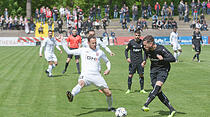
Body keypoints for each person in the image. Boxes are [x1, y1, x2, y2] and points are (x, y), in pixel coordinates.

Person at [59, 35, 115, 112]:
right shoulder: (83, 50)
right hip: (86, 75)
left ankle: (110, 108)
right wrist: (62, 41)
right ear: (88, 43)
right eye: (93, 43)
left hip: (97, 76)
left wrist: (108, 69)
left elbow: (107, 61)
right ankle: (72, 95)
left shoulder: (100, 52)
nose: (95, 44)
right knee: (81, 83)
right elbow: (69, 51)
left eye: (95, 43)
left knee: (108, 93)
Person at [141, 35, 176, 117]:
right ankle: (172, 109)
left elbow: (173, 59)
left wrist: (163, 59)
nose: (144, 46)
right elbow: (145, 53)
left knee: (157, 87)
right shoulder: (146, 49)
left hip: (163, 70)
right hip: (153, 71)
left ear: (151, 43)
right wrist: (144, 60)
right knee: (157, 91)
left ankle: (146, 104)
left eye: (145, 45)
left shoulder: (161, 49)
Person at [125, 30, 147, 94]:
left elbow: (145, 52)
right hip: (132, 62)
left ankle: (142, 89)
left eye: (138, 35)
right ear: (134, 35)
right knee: (130, 75)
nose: (137, 36)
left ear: (140, 36)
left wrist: (144, 60)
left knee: (141, 75)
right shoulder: (131, 42)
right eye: (136, 35)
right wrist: (127, 57)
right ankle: (129, 89)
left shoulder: (142, 43)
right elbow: (126, 50)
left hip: (140, 62)